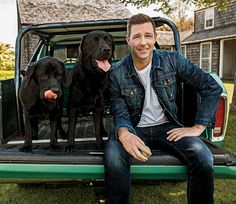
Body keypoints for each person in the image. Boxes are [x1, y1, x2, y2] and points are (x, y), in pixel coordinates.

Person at [104, 13, 222, 204]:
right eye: (137, 36)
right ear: (128, 40)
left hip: (168, 127)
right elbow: (119, 111)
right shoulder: (117, 72)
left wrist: (198, 127)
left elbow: (211, 87)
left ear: (155, 38)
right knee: (114, 157)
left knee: (203, 156)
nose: (143, 42)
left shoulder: (172, 60)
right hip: (135, 128)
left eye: (148, 35)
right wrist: (124, 133)